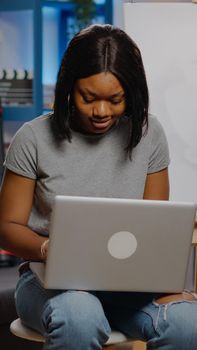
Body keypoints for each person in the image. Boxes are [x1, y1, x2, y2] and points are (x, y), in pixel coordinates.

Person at [0, 24, 197, 350]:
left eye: (115, 99)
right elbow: (6, 227)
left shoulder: (149, 134)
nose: (102, 111)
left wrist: (165, 282)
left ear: (131, 94)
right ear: (68, 86)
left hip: (129, 287)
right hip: (47, 281)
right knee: (80, 314)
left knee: (188, 321)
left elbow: (154, 226)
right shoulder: (32, 138)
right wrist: (51, 249)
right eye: (88, 98)